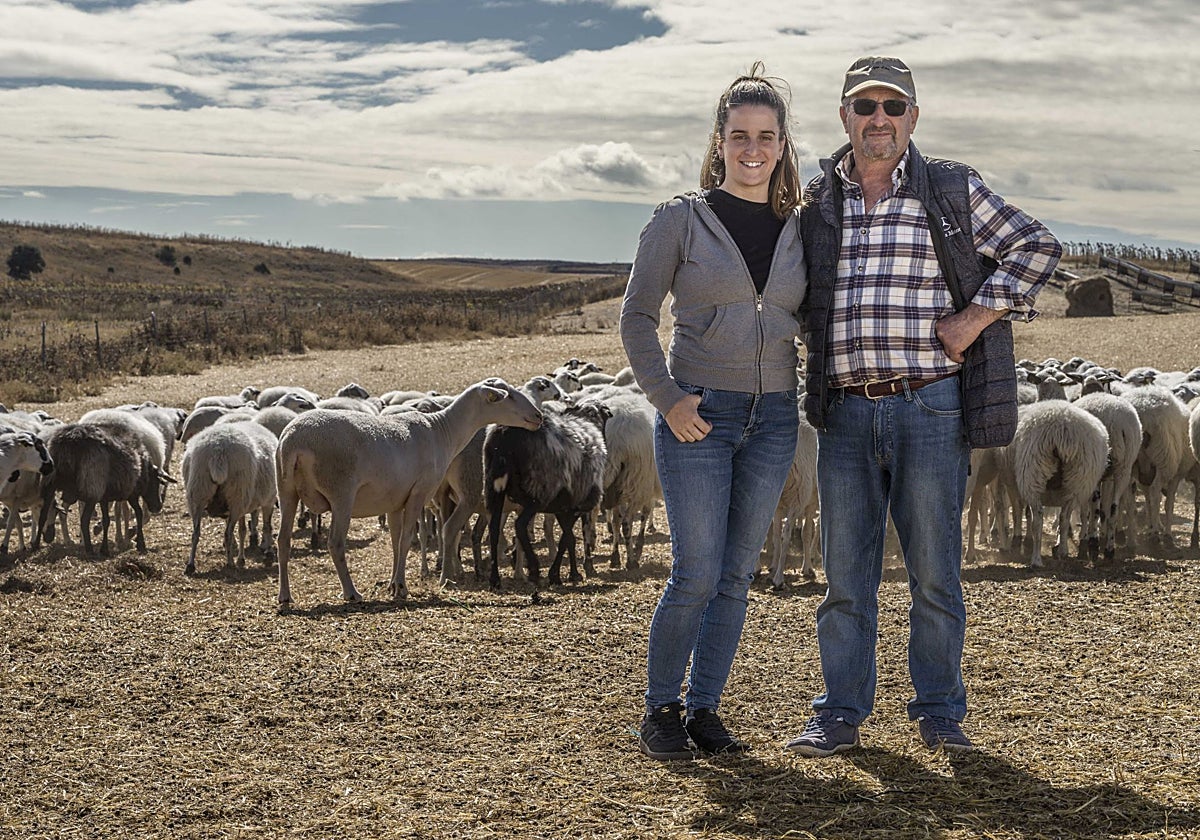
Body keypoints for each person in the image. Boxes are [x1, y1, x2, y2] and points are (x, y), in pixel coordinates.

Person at [785, 56, 1062, 757]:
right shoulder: (820, 200)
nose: (879, 119)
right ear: (844, 116)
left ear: (913, 116)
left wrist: (973, 320)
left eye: (893, 106)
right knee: (846, 578)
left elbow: (1038, 246)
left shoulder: (950, 188)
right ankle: (840, 713)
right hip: (845, 413)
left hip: (929, 407)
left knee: (935, 572)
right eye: (865, 105)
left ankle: (939, 711)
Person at [620, 63, 807, 760]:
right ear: (719, 142)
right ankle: (660, 709)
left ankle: (705, 711)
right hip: (699, 415)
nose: (752, 149)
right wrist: (666, 399)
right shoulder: (681, 220)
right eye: (739, 136)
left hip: (775, 418)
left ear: (782, 144)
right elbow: (637, 317)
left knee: (735, 574)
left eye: (765, 136)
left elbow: (813, 318)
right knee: (695, 571)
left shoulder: (801, 229)